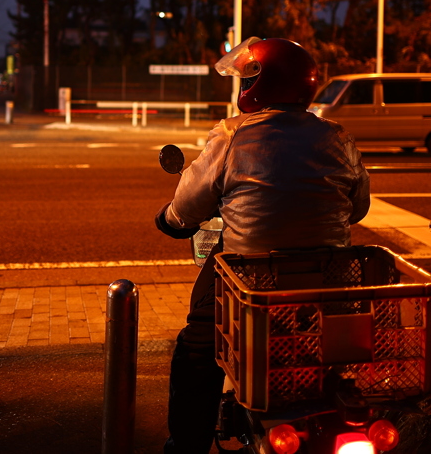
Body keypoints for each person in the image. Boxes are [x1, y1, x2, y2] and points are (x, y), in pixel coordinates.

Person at [155, 37, 371, 454]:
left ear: (261, 82)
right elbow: (357, 208)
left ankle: (187, 446)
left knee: (197, 351)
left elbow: (185, 207)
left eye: (247, 76)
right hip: (328, 286)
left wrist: (168, 219)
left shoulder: (233, 135)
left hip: (251, 284)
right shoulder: (337, 137)